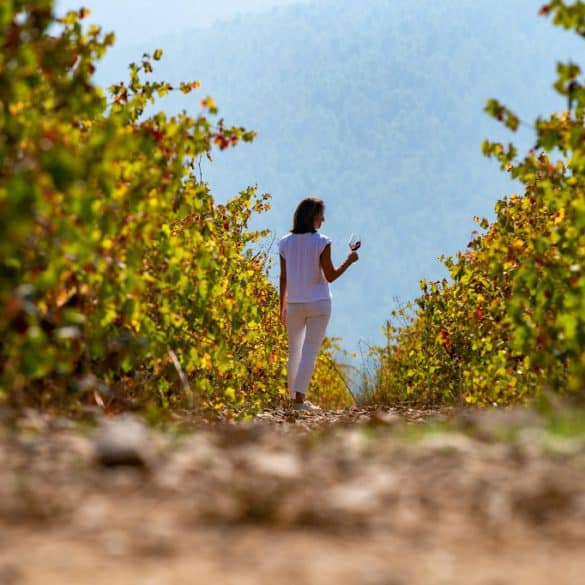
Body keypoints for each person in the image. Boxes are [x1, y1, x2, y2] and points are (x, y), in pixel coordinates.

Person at [278, 197, 359, 411]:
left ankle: (290, 400)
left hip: (294, 303)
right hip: (319, 303)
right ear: (314, 217)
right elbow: (330, 276)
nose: (324, 218)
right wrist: (349, 261)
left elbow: (283, 277)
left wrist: (281, 306)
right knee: (309, 352)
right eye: (321, 215)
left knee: (293, 351)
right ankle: (299, 401)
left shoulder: (284, 243)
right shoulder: (322, 242)